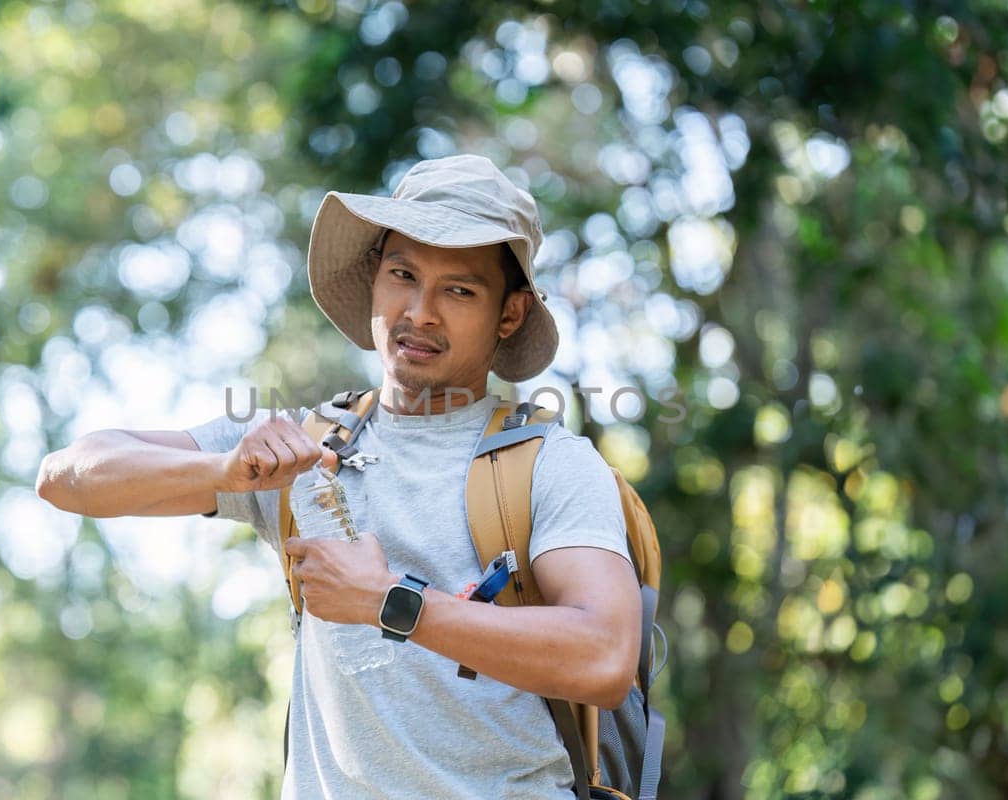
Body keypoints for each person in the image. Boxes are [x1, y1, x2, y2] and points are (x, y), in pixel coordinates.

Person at [36, 154, 641, 798]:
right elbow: (66, 476)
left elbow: (604, 655)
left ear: (510, 314)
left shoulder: (552, 463)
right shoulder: (300, 447)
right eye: (402, 274)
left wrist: (390, 602)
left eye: (459, 290)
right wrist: (223, 470)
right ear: (374, 279)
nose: (421, 311)